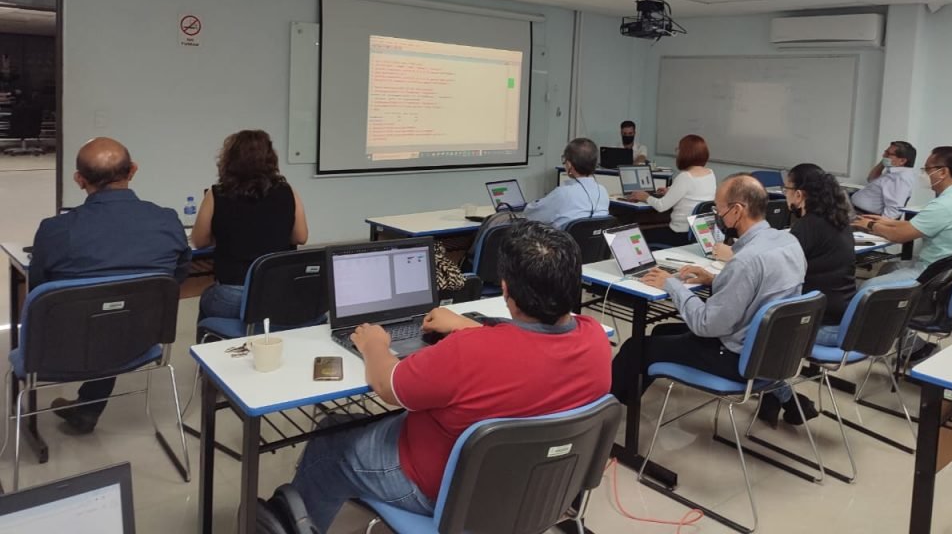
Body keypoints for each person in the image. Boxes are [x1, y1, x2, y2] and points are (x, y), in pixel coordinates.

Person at [274, 221, 611, 532]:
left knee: (331, 440)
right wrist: (470, 327)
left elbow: (387, 386)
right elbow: (529, 350)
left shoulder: (468, 352)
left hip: (446, 491)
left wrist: (374, 344)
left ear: (506, 289)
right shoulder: (596, 338)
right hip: (532, 486)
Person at [610, 174, 806, 419]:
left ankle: (604, 415)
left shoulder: (745, 261)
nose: (717, 214)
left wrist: (672, 284)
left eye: (719, 208)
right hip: (772, 352)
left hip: (737, 359)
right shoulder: (788, 243)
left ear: (737, 210)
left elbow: (705, 325)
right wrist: (715, 279)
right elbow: (761, 289)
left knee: (634, 347)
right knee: (662, 332)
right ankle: (632, 399)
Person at [29, 137, 190, 434]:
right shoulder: (168, 222)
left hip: (63, 351)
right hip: (142, 341)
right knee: (119, 309)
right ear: (133, 170)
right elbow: (176, 279)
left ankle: (80, 410)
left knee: (97, 313)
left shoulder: (55, 231)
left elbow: (38, 295)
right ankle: (87, 408)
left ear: (79, 180)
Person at [759, 163, 856, 426]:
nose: (785, 193)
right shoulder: (839, 222)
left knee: (754, 333)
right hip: (844, 317)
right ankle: (772, 403)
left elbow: (776, 271)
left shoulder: (808, 226)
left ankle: (791, 400)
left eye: (786, 188)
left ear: (799, 194)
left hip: (822, 325)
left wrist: (734, 257)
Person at [192, 129, 308, 321]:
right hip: (278, 293)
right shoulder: (288, 192)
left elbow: (199, 241)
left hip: (232, 294)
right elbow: (301, 237)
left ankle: (211, 345)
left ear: (229, 160)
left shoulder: (216, 194)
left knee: (208, 299)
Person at [854, 145, 952, 284]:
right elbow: (916, 226)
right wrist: (884, 221)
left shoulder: (945, 204)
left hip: (936, 274)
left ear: (943, 172)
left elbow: (900, 235)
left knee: (867, 287)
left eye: (927, 169)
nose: (923, 174)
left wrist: (870, 224)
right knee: (889, 267)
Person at [628, 134, 715, 247]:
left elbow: (661, 206)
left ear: (686, 153)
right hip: (699, 234)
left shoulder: (685, 177)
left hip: (680, 235)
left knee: (634, 235)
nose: (677, 152)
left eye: (678, 149)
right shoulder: (710, 174)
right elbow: (694, 193)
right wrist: (672, 190)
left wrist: (645, 197)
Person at [523, 137, 609, 229]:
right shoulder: (603, 191)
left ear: (569, 164)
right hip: (595, 243)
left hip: (562, 242)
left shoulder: (563, 193)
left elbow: (530, 215)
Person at [851, 141, 917, 218]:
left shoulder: (900, 178)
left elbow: (893, 211)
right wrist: (884, 161)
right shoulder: (893, 171)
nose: (883, 155)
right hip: (856, 210)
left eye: (888, 154)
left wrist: (875, 226)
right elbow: (871, 179)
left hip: (864, 216)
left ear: (902, 161)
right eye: (885, 152)